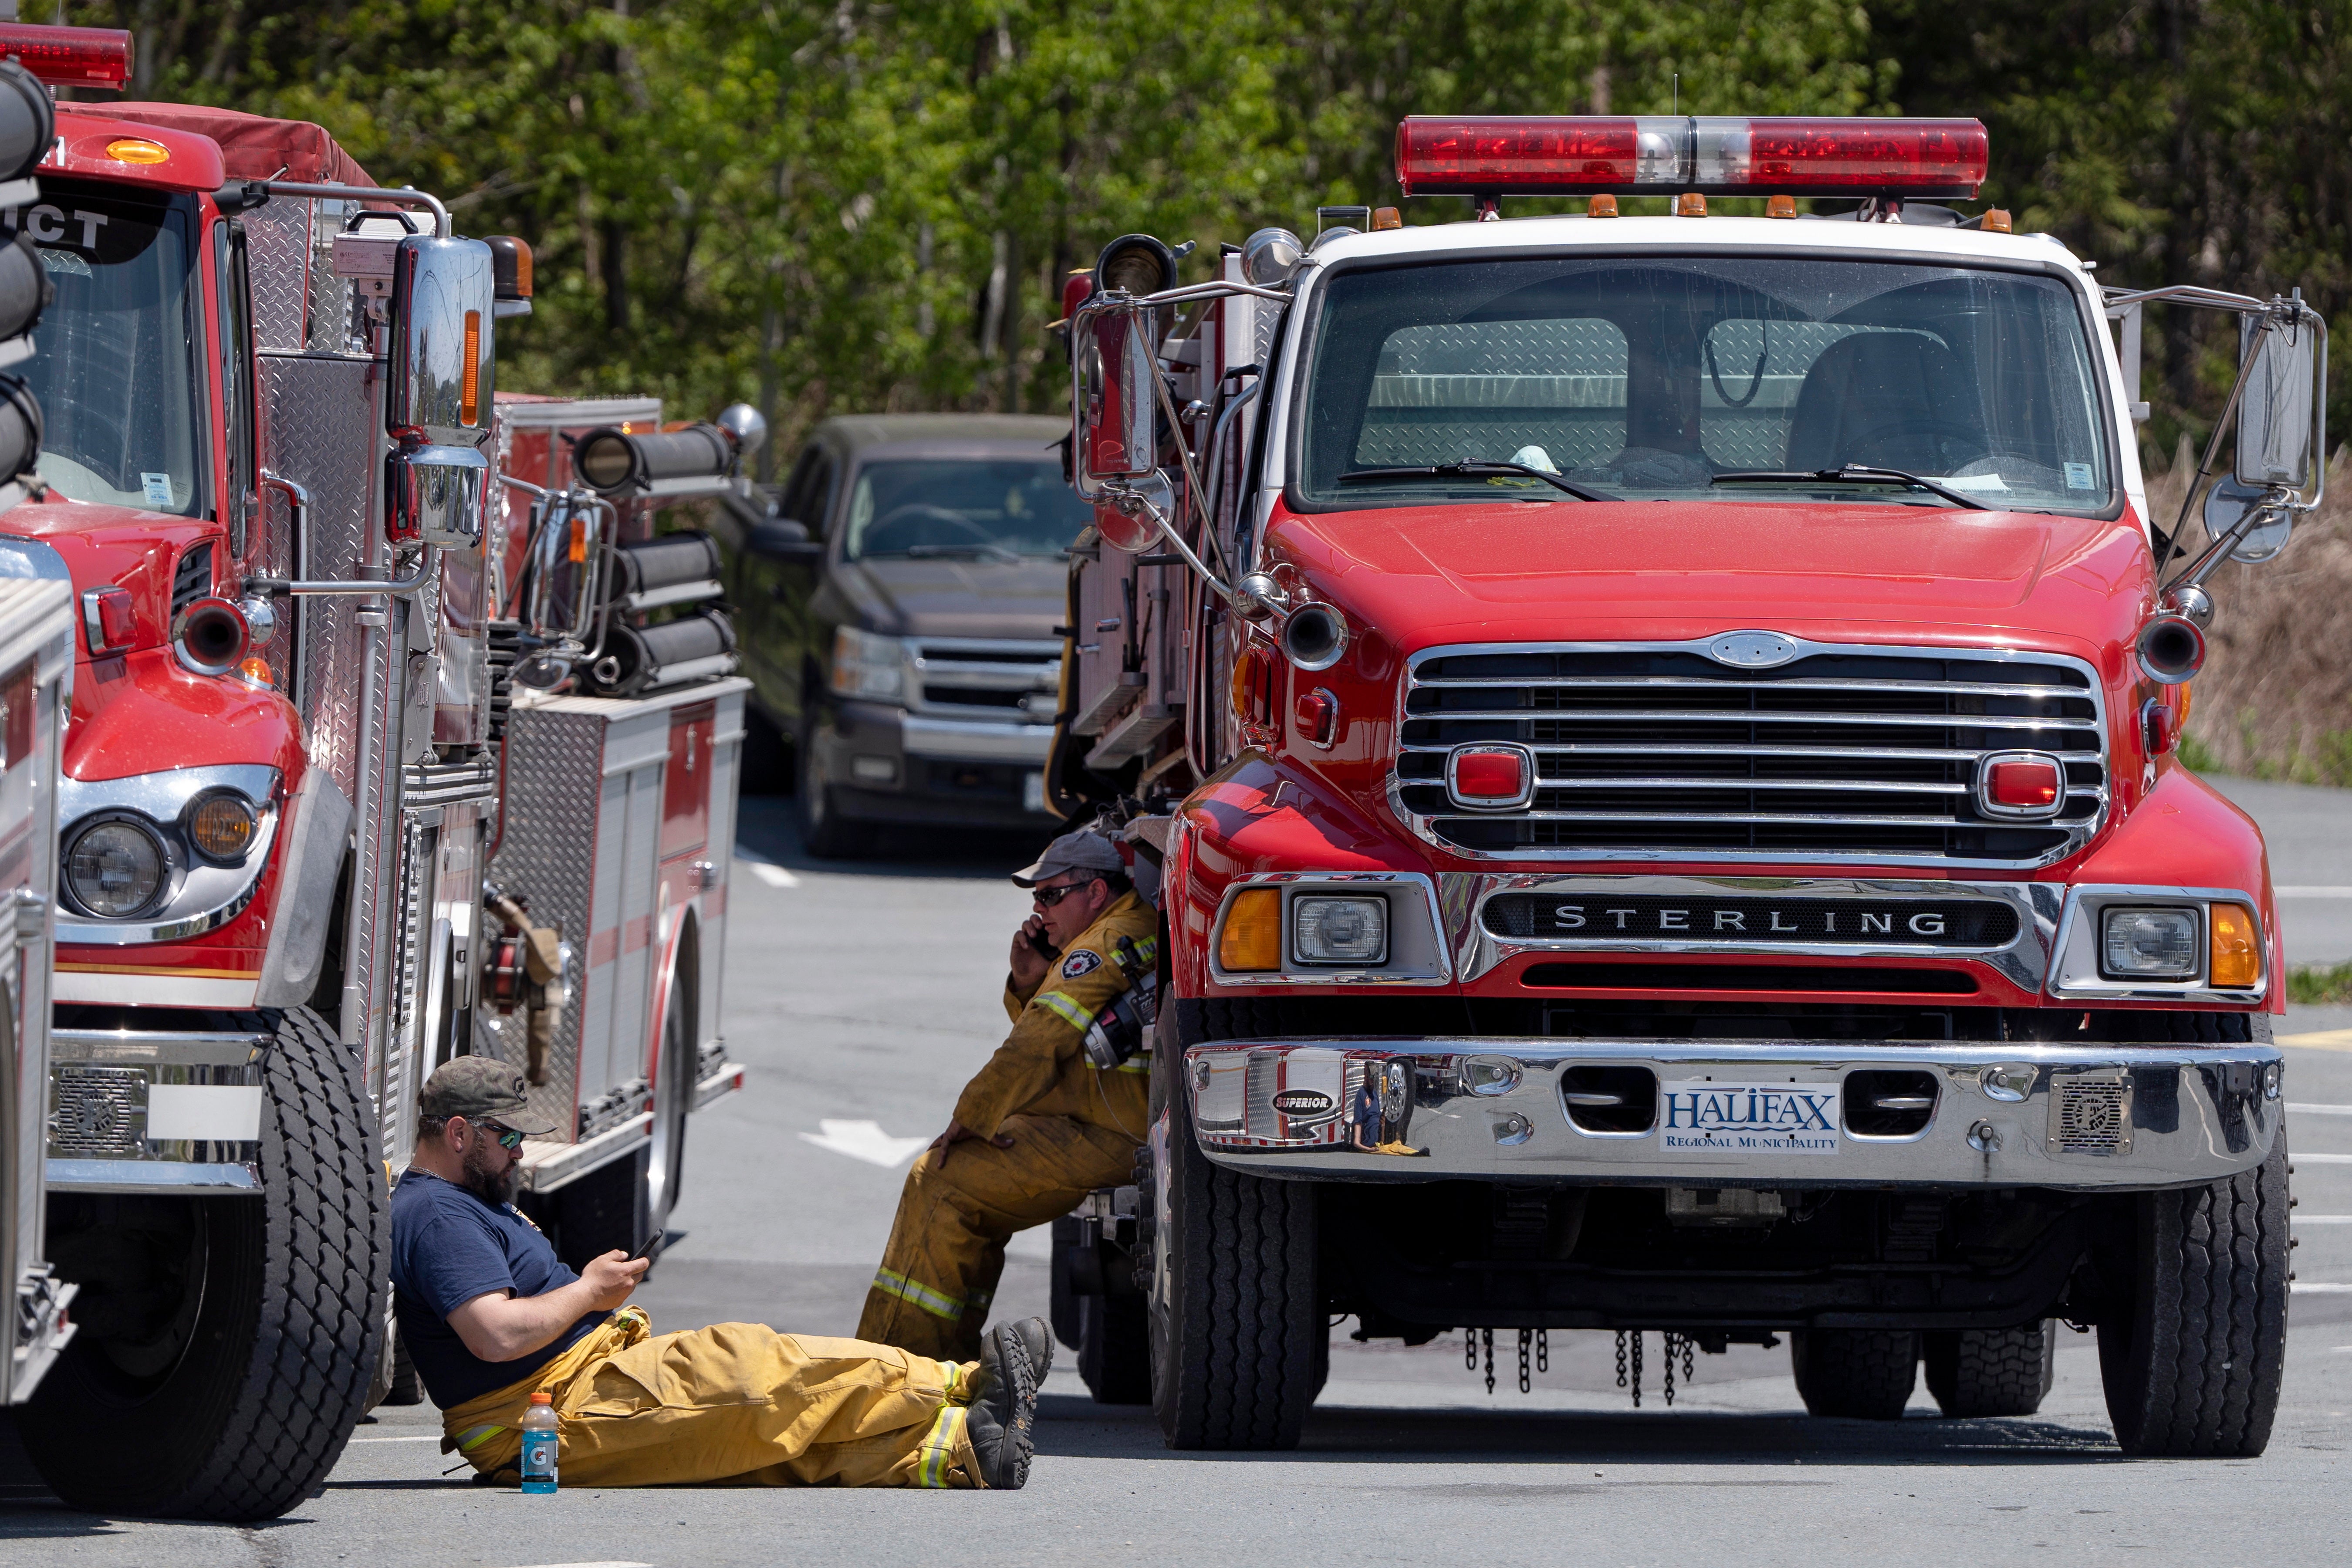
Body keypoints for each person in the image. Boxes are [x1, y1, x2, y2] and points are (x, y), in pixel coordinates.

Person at [391, 1056, 1051, 1489]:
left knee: (766, 1442)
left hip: (572, 1385)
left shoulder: (466, 1201)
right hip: (549, 1408)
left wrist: (597, 1293)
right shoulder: (438, 1216)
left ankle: (966, 1447)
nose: (520, 1152)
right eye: (507, 1138)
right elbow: (494, 1335)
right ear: (457, 1134)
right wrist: (589, 1291)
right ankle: (959, 1384)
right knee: (754, 1372)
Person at [858, 828, 1156, 1360]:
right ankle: (941, 1365)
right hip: (1106, 1124)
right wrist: (1029, 980)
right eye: (1035, 898)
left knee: (941, 1182)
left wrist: (968, 1120)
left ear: (1095, 892)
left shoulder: (1104, 944)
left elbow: (1039, 1042)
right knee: (970, 1199)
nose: (1040, 912)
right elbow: (1058, 1038)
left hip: (1107, 1134)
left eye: (1051, 895)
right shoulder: (1121, 932)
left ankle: (889, 1369)